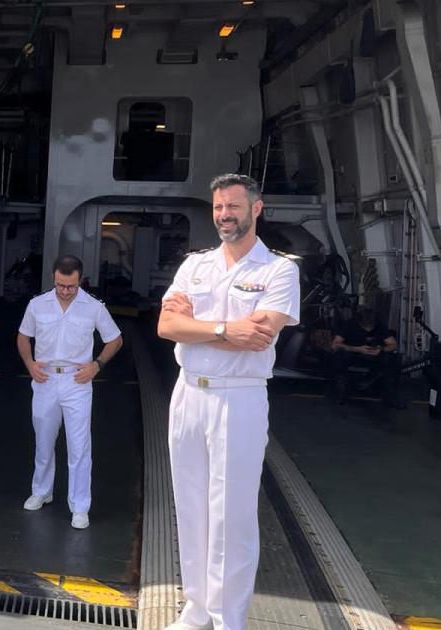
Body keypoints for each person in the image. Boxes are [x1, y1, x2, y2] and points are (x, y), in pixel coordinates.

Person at [157, 173, 300, 630]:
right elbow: (166, 326)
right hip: (188, 394)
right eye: (219, 207)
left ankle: (227, 620)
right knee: (191, 506)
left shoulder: (278, 271)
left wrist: (197, 327)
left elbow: (259, 335)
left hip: (237, 399)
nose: (224, 215)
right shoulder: (195, 266)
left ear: (256, 208)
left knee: (231, 515)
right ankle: (196, 610)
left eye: (233, 206)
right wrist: (225, 329)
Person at [15, 254, 122, 529]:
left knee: (79, 446)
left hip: (77, 381)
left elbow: (115, 339)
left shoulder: (93, 307)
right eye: (60, 285)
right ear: (54, 278)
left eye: (71, 286)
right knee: (43, 441)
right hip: (45, 379)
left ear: (80, 280)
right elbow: (23, 336)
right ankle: (41, 491)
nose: (65, 291)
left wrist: (96, 365)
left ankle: (80, 506)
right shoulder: (37, 304)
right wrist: (29, 364)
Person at [330, 304, 404, 408]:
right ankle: (341, 393)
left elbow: (393, 345)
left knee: (395, 358)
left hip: (374, 356)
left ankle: (392, 397)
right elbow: (335, 344)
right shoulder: (350, 324)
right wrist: (357, 349)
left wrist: (381, 349)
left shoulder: (380, 326)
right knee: (339, 355)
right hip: (354, 355)